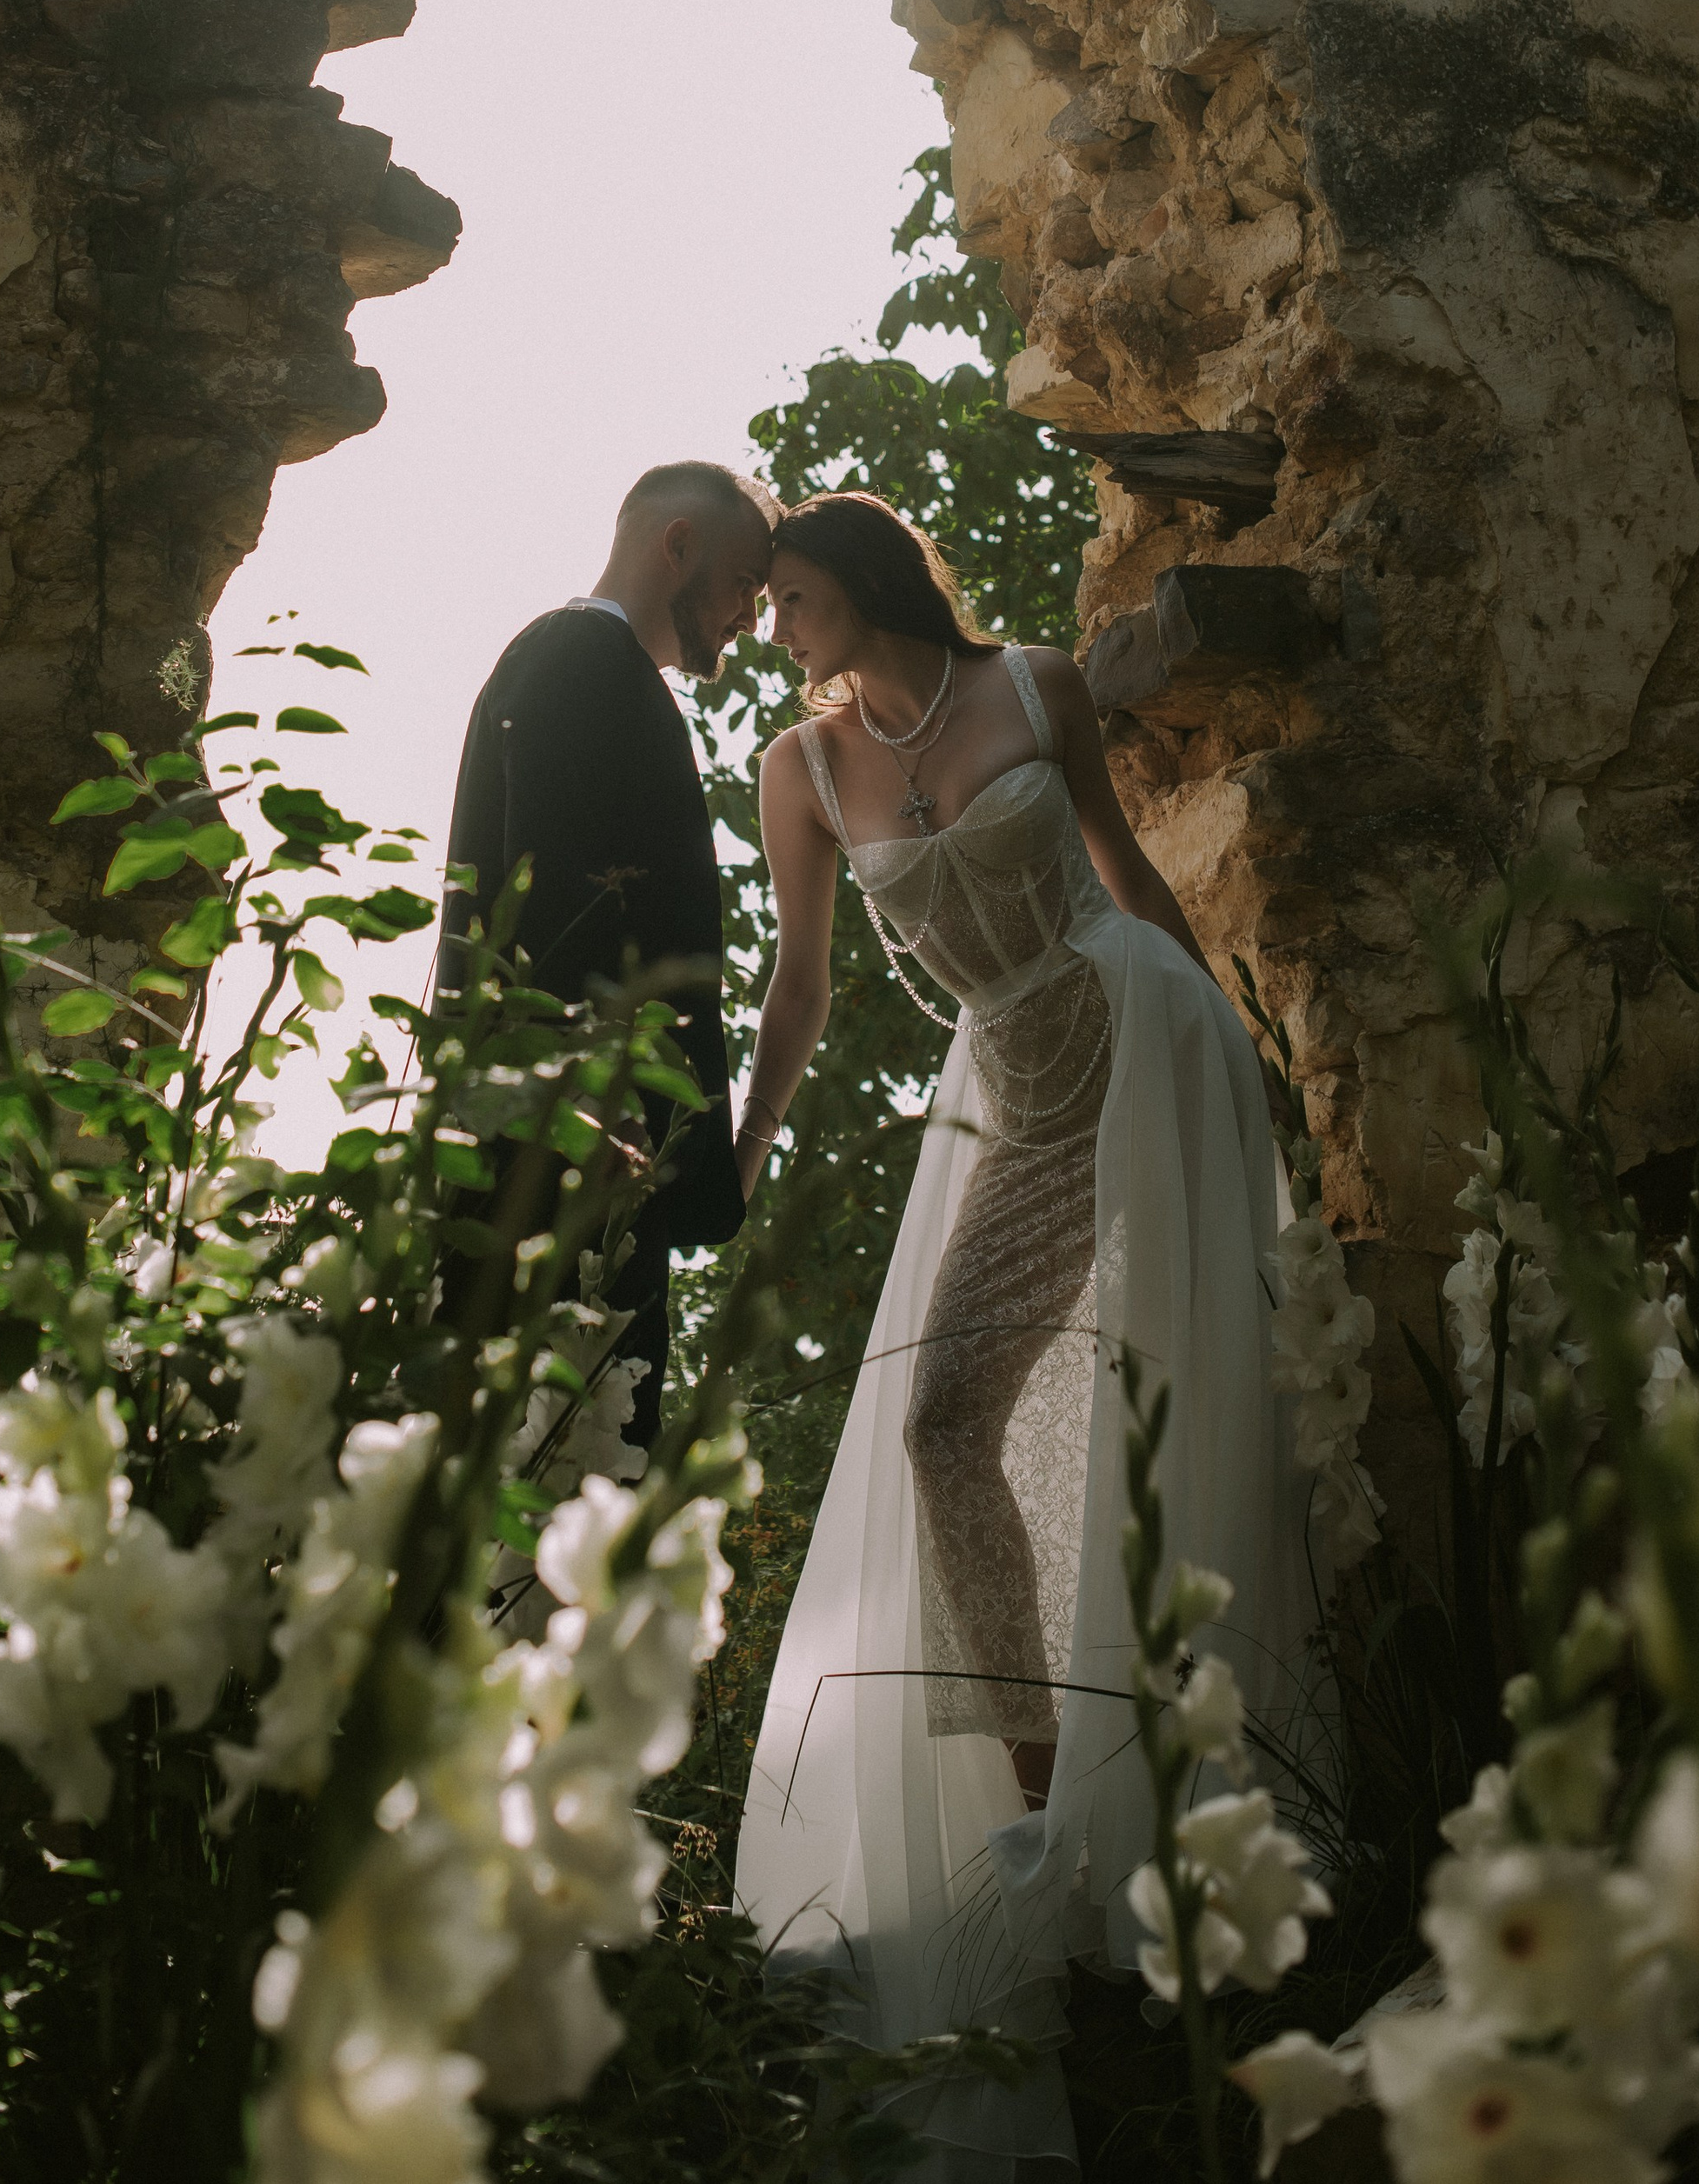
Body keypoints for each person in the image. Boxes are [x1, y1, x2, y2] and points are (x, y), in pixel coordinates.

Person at [732, 492, 1313, 2183]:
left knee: (1165, 1376)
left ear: (851, 585)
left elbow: (1128, 879)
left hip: (1137, 1042)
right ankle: (1044, 1784)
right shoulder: (800, 769)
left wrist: (1247, 1055)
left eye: (787, 599)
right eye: (762, 607)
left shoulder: (1033, 686)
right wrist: (742, 1142)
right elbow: (801, 984)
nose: (774, 630)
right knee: (942, 1427)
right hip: (1010, 1093)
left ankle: (1198, 1765)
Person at [440, 460, 774, 1439]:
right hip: (568, 1161)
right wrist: (590, 1122)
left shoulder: (574, 664)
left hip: (564, 1149)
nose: (749, 620)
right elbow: (557, 913)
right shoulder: (586, 666)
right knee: (573, 1453)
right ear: (678, 546)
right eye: (745, 586)